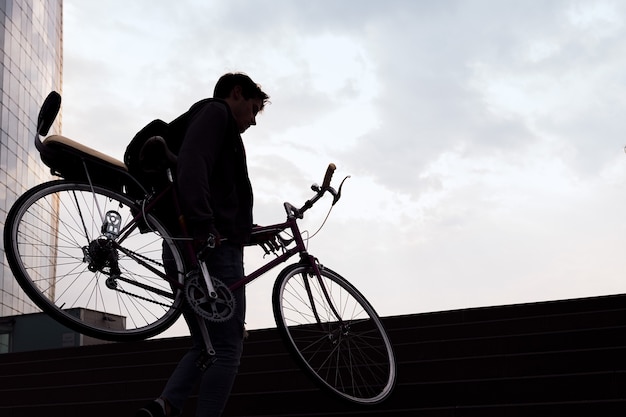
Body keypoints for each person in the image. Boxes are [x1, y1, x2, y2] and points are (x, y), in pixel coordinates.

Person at [136, 72, 270, 417]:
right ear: (237, 92)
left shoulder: (215, 122)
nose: (253, 121)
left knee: (207, 345)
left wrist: (251, 232)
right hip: (208, 246)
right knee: (228, 348)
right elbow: (193, 166)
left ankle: (162, 407)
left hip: (185, 243)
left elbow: (212, 190)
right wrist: (205, 226)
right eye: (253, 109)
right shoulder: (216, 113)